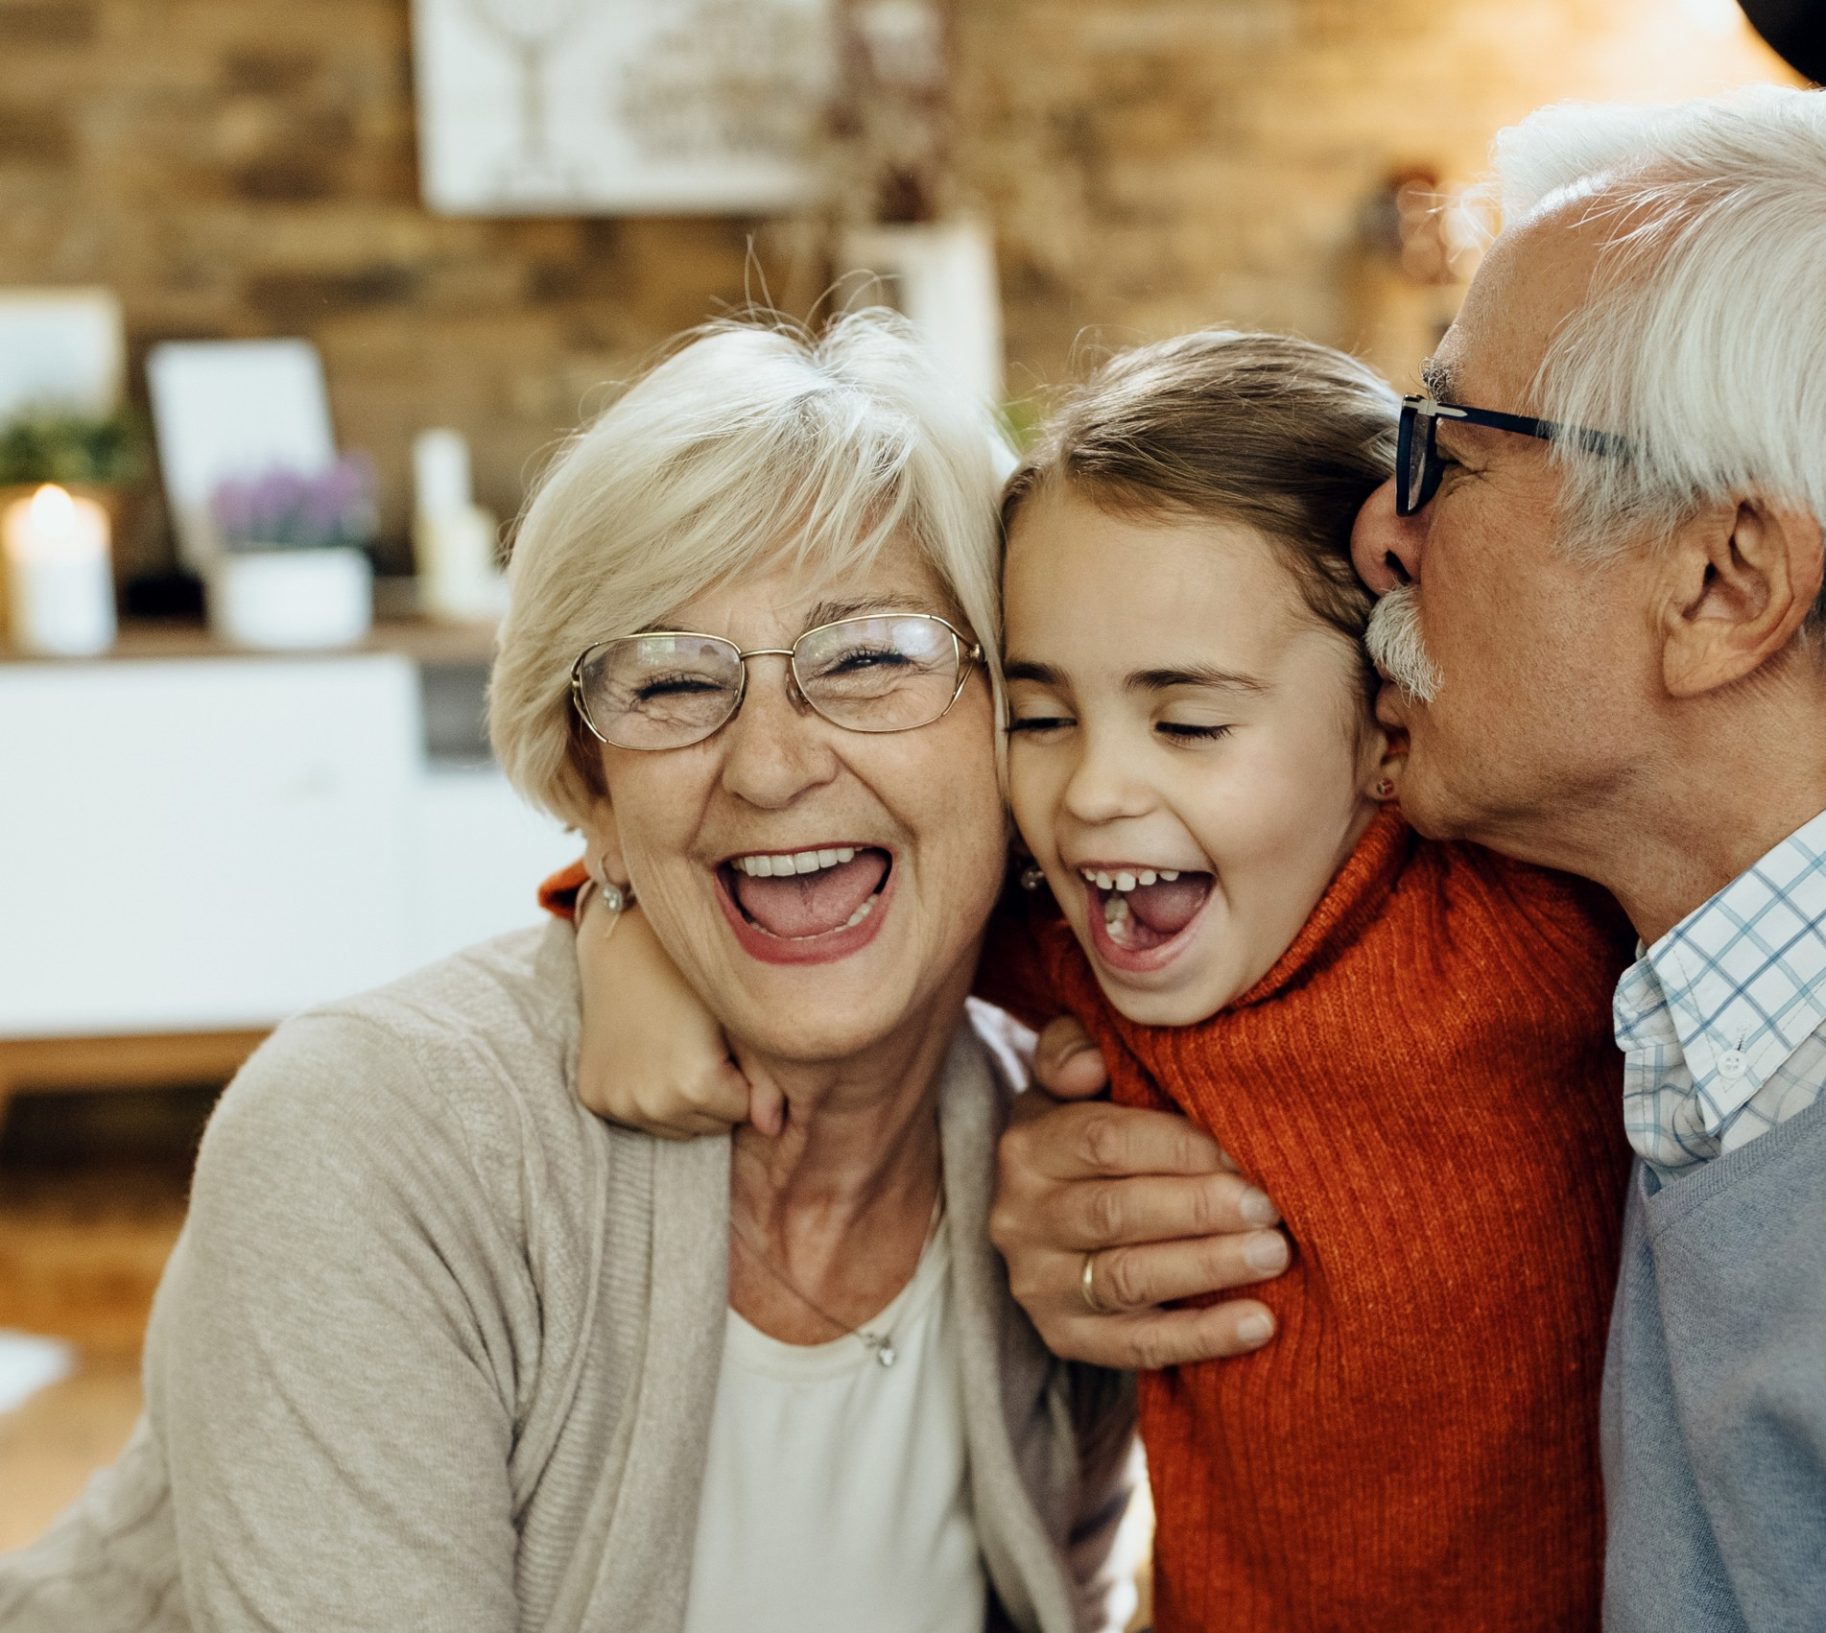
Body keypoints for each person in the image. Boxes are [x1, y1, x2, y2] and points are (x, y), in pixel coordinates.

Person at [564, 329, 1826, 1629]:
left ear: (1389, 733)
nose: (1092, 793)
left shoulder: (1525, 912)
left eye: (1188, 719)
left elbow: (1820, 773)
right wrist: (621, 919)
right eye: (1041, 716)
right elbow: (808, 874)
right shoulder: (1068, 924)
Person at [0, 312, 1137, 1633]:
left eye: (872, 656)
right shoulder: (370, 1143)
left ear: (1016, 724)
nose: (769, 765)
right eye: (669, 682)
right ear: (593, 785)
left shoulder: (1061, 1179)